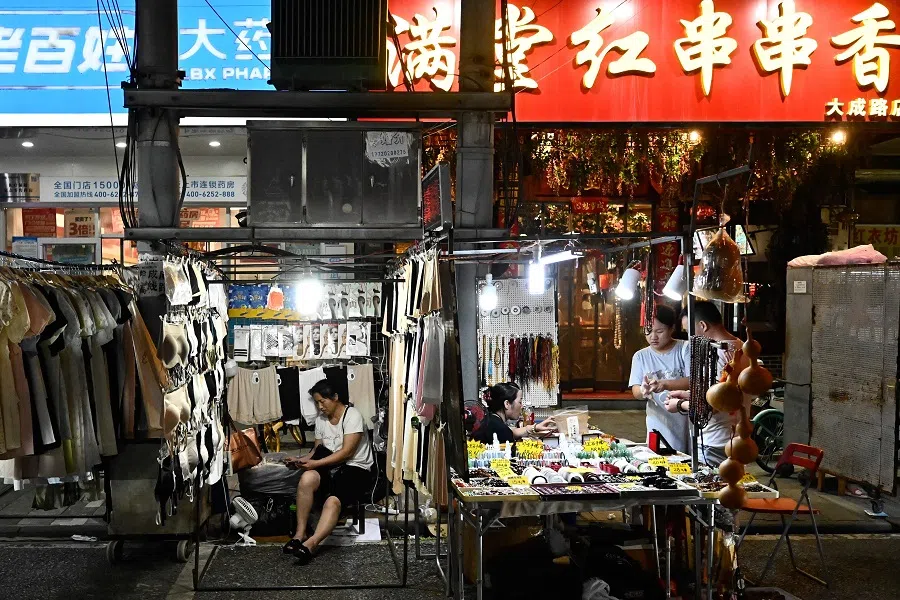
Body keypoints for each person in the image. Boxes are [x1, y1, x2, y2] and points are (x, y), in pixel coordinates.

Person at [282, 379, 374, 564]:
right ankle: (300, 534)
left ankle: (311, 543)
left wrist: (315, 464)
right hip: (331, 466)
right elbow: (317, 451)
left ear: (335, 398)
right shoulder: (321, 420)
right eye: (317, 402)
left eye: (322, 401)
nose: (319, 406)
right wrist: (302, 461)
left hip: (356, 468)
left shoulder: (352, 416)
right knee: (307, 478)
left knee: (333, 500)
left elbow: (346, 453)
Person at [665, 301, 751, 466]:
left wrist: (680, 404)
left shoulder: (721, 354)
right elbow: (718, 392)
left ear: (702, 325)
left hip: (716, 441)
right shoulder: (740, 347)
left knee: (713, 488)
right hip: (734, 438)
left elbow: (713, 405)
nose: (690, 336)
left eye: (689, 330)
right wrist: (687, 394)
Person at [628, 305, 691, 453]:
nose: (653, 337)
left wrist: (665, 384)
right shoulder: (640, 356)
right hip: (658, 420)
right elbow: (635, 391)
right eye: (648, 331)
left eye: (659, 331)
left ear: (671, 328)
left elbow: (694, 380)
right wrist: (643, 390)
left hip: (686, 417)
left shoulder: (684, 349)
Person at [471, 382, 557, 444]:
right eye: (520, 402)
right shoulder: (499, 428)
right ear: (507, 404)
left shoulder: (491, 419)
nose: (522, 406)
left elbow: (511, 432)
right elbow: (506, 433)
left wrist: (536, 427)